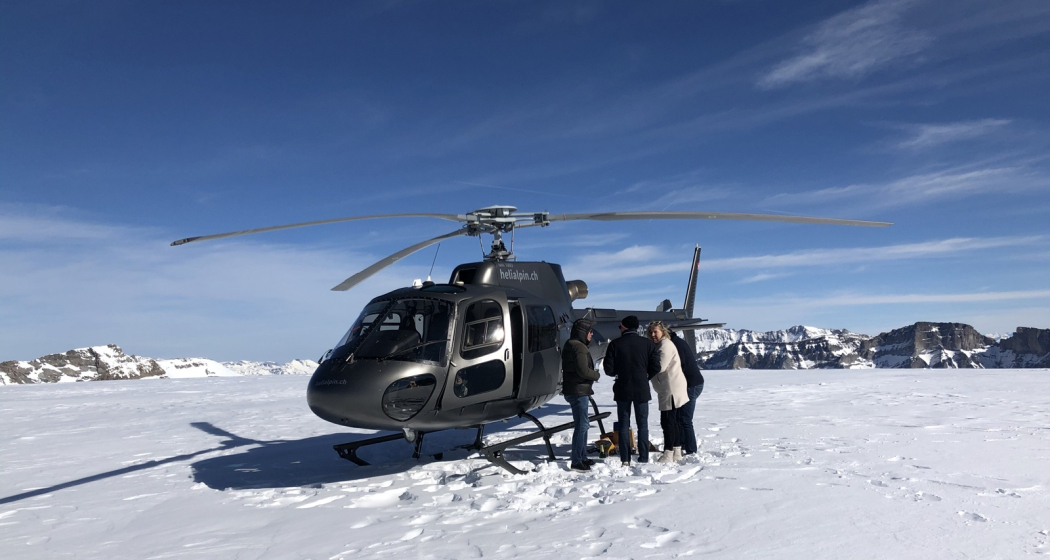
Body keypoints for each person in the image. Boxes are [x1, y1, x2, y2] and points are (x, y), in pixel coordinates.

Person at [603, 315, 660, 466]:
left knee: (623, 424)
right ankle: (643, 457)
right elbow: (656, 366)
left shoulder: (615, 344)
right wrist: (645, 376)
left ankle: (625, 458)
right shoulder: (647, 344)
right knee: (643, 424)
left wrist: (619, 372)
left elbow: (608, 369)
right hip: (641, 388)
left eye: (620, 326)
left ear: (624, 327)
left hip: (622, 387)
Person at [647, 321, 689, 464]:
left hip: (670, 388)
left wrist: (644, 373)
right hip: (671, 386)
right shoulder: (663, 344)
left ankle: (668, 453)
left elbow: (660, 366)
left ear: (662, 332)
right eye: (651, 332)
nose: (653, 334)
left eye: (655, 332)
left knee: (667, 422)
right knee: (673, 420)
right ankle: (676, 450)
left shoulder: (665, 346)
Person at [561, 317, 599, 472]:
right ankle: (577, 460)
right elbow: (583, 370)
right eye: (590, 331)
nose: (591, 334)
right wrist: (595, 375)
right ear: (583, 332)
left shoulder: (571, 344)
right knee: (582, 426)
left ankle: (582, 457)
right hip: (578, 391)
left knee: (584, 425)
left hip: (576, 390)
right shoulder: (579, 347)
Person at [670, 330, 704, 455]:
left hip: (691, 385)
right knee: (680, 417)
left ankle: (691, 449)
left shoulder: (675, 345)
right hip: (690, 384)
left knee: (685, 418)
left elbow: (680, 365)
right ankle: (683, 444)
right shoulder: (676, 342)